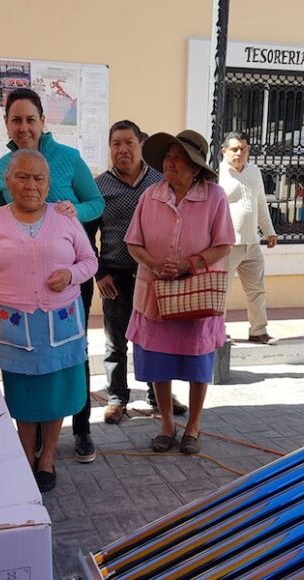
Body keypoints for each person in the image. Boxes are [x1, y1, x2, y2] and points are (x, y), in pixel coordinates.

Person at [0, 88, 103, 463]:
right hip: (16, 296)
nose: (23, 127)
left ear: (42, 121)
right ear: (7, 124)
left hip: (64, 278)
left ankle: (79, 431)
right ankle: (28, 448)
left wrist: (71, 215)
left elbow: (95, 203)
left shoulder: (69, 158)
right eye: (16, 120)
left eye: (30, 119)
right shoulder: (4, 166)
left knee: (66, 368)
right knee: (27, 382)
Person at [0, 149, 98, 492]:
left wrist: (71, 275)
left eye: (38, 178)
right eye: (22, 177)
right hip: (14, 327)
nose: (31, 185)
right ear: (7, 181)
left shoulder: (65, 217)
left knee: (55, 394)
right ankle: (25, 456)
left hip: (62, 323)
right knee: (24, 396)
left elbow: (90, 261)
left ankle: (48, 458)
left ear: (48, 183)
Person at [125, 130, 235, 454]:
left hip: (196, 293)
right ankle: (167, 425)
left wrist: (190, 264)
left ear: (196, 167)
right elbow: (134, 242)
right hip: (155, 292)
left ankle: (194, 426)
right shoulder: (150, 195)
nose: (170, 163)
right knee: (159, 362)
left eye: (179, 158)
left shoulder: (214, 196)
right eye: (168, 157)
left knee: (197, 361)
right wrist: (154, 264)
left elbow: (223, 245)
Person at [87, 120, 187, 424]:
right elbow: (87, 236)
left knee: (156, 339)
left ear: (140, 144)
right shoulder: (98, 186)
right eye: (116, 143)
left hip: (155, 275)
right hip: (115, 275)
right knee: (116, 343)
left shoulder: (160, 181)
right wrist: (100, 272)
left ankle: (159, 395)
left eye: (129, 142)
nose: (122, 149)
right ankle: (118, 398)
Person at [218, 132, 278, 344]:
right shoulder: (217, 175)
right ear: (224, 151)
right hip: (226, 245)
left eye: (243, 149)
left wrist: (269, 231)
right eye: (234, 149)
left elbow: (261, 202)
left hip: (252, 243)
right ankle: (217, 333)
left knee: (256, 290)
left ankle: (258, 331)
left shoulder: (254, 172)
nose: (239, 153)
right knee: (220, 292)